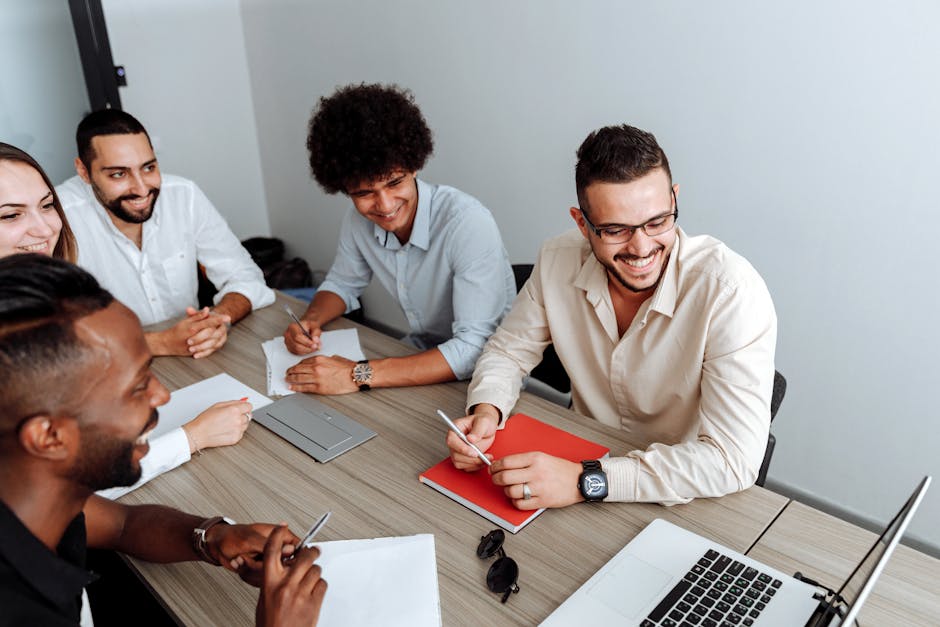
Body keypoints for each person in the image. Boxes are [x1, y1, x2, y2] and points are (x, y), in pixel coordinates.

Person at [447, 124, 777, 509]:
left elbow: (731, 460)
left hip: (680, 490)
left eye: (657, 222)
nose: (641, 248)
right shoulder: (557, 259)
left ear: (674, 199)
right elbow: (507, 353)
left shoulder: (731, 292)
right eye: (616, 230)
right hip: (576, 462)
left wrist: (586, 480)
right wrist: (486, 410)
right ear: (582, 223)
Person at [0, 254, 326, 626]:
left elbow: (122, 524)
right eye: (138, 386)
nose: (162, 394)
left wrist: (213, 537)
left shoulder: (33, 500)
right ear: (49, 436)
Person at [0, 142, 250, 499]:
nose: (43, 229)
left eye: (46, 206)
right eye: (10, 215)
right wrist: (192, 438)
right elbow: (68, 491)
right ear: (84, 172)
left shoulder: (38, 299)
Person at [282, 83, 515, 394]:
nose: (385, 205)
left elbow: (475, 349)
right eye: (364, 193)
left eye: (394, 182)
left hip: (488, 376)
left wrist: (357, 375)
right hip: (418, 356)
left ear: (415, 166)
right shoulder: (357, 221)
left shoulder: (467, 222)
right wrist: (311, 320)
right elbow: (341, 283)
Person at [56, 109, 275, 361]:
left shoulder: (184, 195)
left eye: (148, 167)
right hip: (109, 364)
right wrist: (159, 343)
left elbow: (246, 277)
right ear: (83, 171)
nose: (141, 188)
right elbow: (50, 337)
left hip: (192, 356)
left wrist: (218, 320)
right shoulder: (55, 218)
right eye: (119, 174)